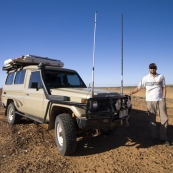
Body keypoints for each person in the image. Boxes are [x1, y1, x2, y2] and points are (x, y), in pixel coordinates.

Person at [129, 63, 170, 146]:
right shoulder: (145, 78)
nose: (153, 69)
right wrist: (130, 93)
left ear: (156, 68)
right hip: (150, 101)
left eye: (154, 68)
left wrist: (164, 98)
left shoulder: (161, 76)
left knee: (164, 118)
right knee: (152, 120)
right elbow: (138, 87)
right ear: (148, 69)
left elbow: (164, 88)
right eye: (151, 68)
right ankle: (154, 137)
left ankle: (163, 138)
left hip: (160, 100)